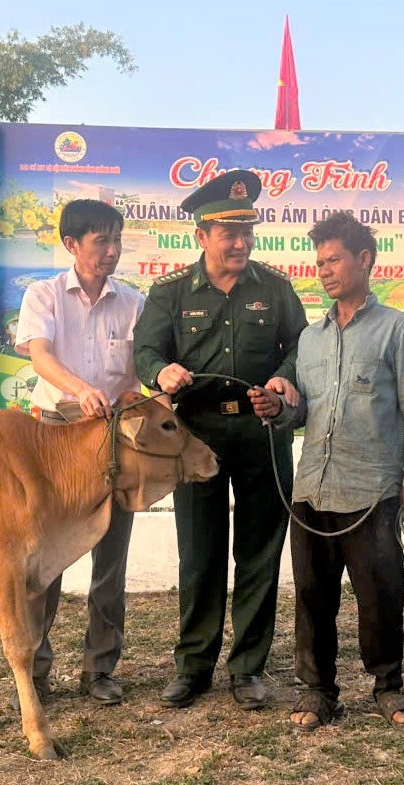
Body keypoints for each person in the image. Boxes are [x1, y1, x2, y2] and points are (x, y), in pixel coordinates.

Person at [250, 211, 404, 733]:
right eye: (319, 262)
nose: (324, 270)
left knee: (379, 593)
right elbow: (303, 412)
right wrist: (278, 411)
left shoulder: (396, 330)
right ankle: (318, 690)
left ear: (365, 260)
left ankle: (388, 686)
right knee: (312, 595)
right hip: (312, 486)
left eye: (334, 260)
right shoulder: (309, 340)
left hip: (371, 488)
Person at [132, 169, 307, 710]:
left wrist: (284, 380)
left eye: (246, 231)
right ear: (201, 236)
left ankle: (249, 668)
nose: (240, 242)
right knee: (200, 554)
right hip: (196, 436)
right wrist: (160, 373)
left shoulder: (275, 289)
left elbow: (303, 348)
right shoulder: (171, 294)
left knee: (259, 553)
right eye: (227, 232)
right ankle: (193, 666)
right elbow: (144, 352)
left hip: (260, 433)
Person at [13, 198, 146, 707]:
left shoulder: (133, 303)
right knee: (42, 564)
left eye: (116, 240)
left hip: (112, 439)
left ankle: (100, 669)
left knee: (111, 560)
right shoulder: (43, 295)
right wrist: (79, 390)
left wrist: (137, 394)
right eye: (100, 242)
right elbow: (41, 355)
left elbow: (139, 372)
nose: (111, 251)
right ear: (71, 245)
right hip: (53, 437)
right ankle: (35, 669)